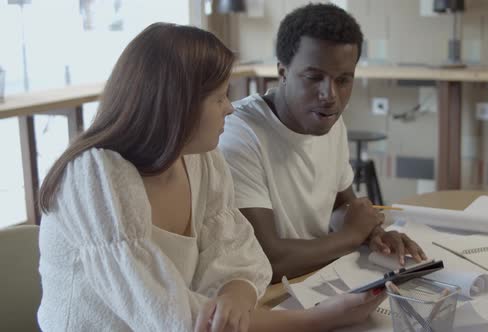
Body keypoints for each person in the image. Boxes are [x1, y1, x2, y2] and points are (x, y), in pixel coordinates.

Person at [36, 23, 386, 332]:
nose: (230, 108)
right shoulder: (95, 178)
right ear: (177, 105)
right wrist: (320, 319)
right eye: (220, 97)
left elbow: (241, 257)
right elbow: (172, 319)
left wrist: (236, 291)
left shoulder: (202, 161)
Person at [219, 3, 427, 283]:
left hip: (317, 278)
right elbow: (266, 258)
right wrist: (353, 236)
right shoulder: (238, 135)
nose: (330, 95)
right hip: (265, 297)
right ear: (282, 72)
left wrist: (376, 236)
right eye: (314, 77)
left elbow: (346, 208)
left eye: (343, 80)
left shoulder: (330, 122)